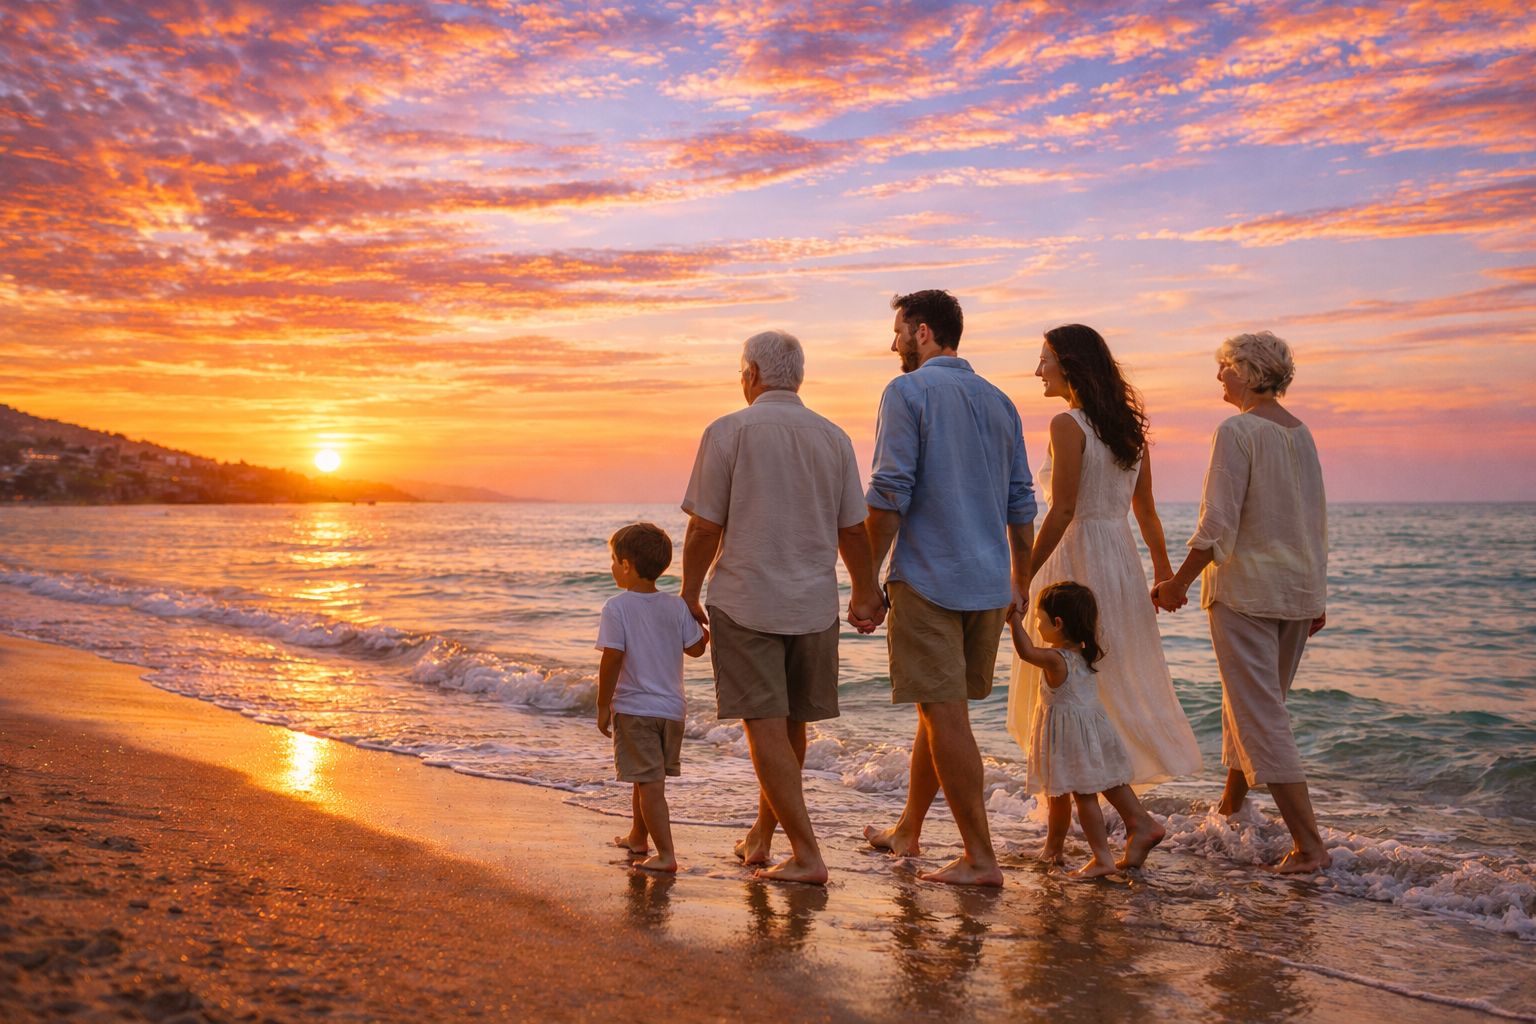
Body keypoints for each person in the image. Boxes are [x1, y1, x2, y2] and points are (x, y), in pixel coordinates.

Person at [680, 330, 884, 885]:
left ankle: (807, 854)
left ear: (750, 374)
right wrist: (864, 590)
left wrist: (688, 594)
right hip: (813, 604)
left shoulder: (727, 432)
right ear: (798, 376)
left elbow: (703, 527)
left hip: (747, 600)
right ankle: (763, 836)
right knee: (792, 724)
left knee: (764, 726)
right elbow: (853, 531)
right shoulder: (833, 437)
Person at [1003, 323, 1201, 868]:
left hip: (1076, 558)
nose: (1037, 370)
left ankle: (1130, 823)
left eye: (1044, 359)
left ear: (1069, 365)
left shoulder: (1066, 424)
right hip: (1119, 566)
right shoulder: (1126, 428)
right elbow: (1147, 512)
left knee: (1066, 700)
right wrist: (1161, 577)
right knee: (1098, 697)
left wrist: (1021, 577)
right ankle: (1057, 841)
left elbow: (1062, 510)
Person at [862, 290, 1036, 887]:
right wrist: (1021, 577)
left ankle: (980, 857)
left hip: (931, 578)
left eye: (899, 332)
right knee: (938, 713)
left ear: (924, 332)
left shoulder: (905, 392)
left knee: (944, 713)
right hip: (987, 583)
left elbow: (889, 491)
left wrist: (864, 580)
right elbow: (1021, 500)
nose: (893, 344)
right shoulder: (1001, 401)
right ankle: (910, 829)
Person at [1153, 331, 1332, 874]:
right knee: (1253, 705)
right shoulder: (1301, 433)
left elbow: (1216, 523)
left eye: (1225, 367)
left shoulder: (1237, 430)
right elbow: (1313, 520)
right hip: (1296, 592)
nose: (1219, 377)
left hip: (1247, 593)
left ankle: (1309, 847)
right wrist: (1317, 594)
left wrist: (1178, 582)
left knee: (1261, 716)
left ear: (1250, 373)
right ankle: (1232, 808)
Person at [595, 522, 710, 874]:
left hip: (635, 709)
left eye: (614, 560)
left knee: (649, 785)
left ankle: (666, 854)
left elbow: (612, 657)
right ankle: (637, 838)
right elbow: (695, 650)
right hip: (673, 712)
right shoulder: (675, 607)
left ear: (627, 565)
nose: (613, 566)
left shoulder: (617, 607)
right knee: (645, 779)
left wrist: (602, 705)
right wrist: (704, 629)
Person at [1009, 582, 1143, 880]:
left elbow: (1025, 652)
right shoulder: (1083, 656)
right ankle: (1053, 849)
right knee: (1057, 795)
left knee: (1084, 798)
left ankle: (1103, 858)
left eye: (1040, 620)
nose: (1037, 624)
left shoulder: (1056, 659)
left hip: (1069, 741)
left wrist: (1013, 619)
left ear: (1058, 624)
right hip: (1083, 737)